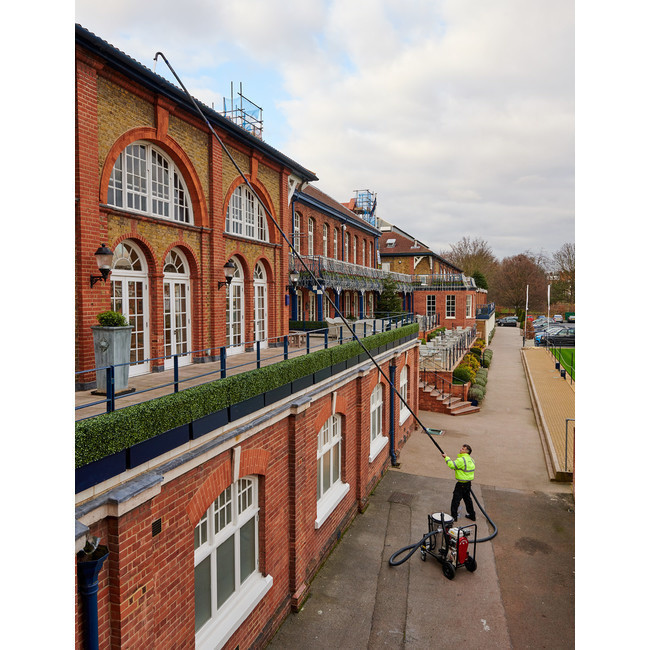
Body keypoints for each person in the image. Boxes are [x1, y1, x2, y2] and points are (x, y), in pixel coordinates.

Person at [442, 444, 476, 521]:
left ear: (466, 452)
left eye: (463, 449)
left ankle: (454, 517)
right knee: (468, 500)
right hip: (468, 484)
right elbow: (462, 469)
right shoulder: (471, 460)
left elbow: (452, 465)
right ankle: (472, 515)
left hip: (461, 484)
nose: (461, 449)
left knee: (455, 500)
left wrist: (446, 457)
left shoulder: (461, 460)